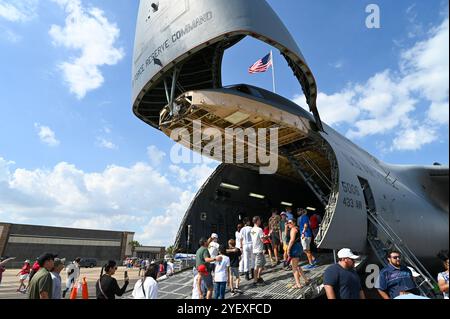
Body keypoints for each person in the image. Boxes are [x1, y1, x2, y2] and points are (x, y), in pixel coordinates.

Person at [286, 219, 310, 288]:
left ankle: (298, 284)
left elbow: (292, 240)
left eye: (290, 222)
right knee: (297, 265)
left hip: (294, 248)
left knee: (294, 268)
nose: (289, 224)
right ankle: (305, 280)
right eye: (288, 223)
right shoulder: (296, 228)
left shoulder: (293, 229)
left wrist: (288, 249)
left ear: (294, 223)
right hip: (298, 247)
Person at [250, 216, 267, 286]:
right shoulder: (259, 229)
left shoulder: (252, 229)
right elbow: (263, 240)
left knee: (263, 264)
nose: (260, 221)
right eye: (259, 220)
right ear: (257, 221)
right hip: (258, 250)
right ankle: (255, 281)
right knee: (257, 266)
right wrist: (267, 236)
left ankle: (258, 277)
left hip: (255, 249)